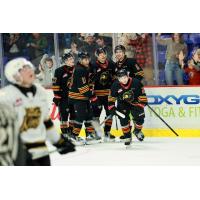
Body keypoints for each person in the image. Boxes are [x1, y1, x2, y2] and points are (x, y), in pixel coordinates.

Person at [0, 58, 75, 166]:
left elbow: (46, 122)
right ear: (14, 76)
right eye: (23, 69)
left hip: (41, 152)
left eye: (28, 67)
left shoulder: (40, 91)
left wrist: (59, 142)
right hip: (17, 155)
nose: (29, 70)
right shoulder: (6, 96)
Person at [68, 52, 101, 145]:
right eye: (85, 59)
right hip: (78, 97)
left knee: (89, 115)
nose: (87, 61)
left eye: (88, 59)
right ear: (80, 60)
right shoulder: (80, 70)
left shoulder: (84, 68)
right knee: (81, 116)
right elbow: (82, 88)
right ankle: (74, 135)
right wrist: (93, 97)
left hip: (82, 97)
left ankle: (90, 134)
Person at [108, 69, 148, 146]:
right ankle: (127, 136)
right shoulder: (115, 85)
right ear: (118, 79)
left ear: (128, 76)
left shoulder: (136, 82)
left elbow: (142, 95)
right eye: (121, 78)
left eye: (125, 77)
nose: (123, 80)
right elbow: (111, 98)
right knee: (123, 119)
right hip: (122, 104)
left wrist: (141, 104)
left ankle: (137, 131)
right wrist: (112, 107)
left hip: (135, 102)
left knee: (140, 117)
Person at [90, 48, 116, 141]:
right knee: (96, 114)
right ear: (97, 55)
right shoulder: (92, 65)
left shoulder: (112, 64)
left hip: (109, 94)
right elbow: (90, 81)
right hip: (97, 95)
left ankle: (107, 132)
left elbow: (115, 79)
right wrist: (92, 94)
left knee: (110, 113)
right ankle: (97, 132)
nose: (103, 55)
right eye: (100, 54)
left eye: (104, 53)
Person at [52, 53, 76, 138]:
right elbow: (55, 85)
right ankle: (65, 134)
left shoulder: (77, 69)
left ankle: (72, 133)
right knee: (64, 115)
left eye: (72, 58)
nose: (72, 60)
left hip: (75, 97)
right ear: (65, 61)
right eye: (69, 59)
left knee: (74, 116)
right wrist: (56, 96)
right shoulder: (58, 71)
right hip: (63, 98)